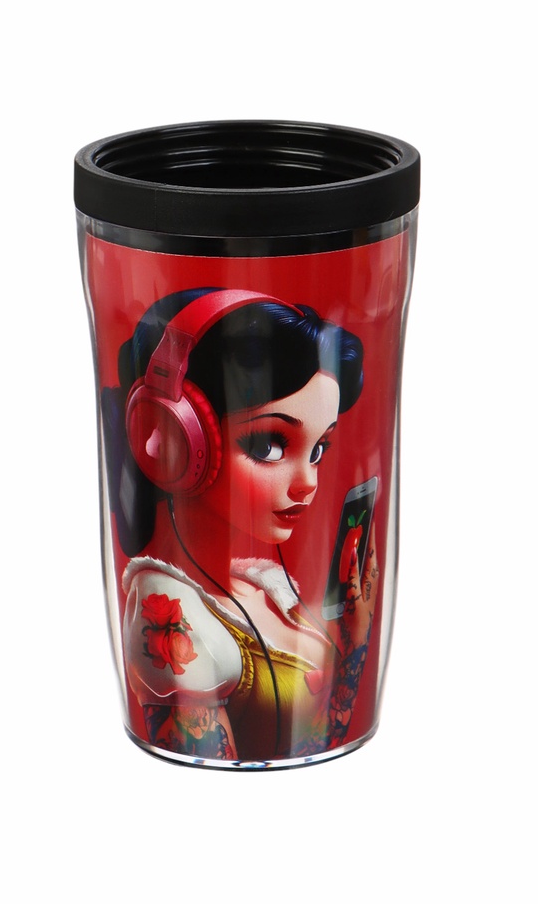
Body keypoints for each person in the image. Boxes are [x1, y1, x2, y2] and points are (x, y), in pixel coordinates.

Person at [102, 287, 378, 762]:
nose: (308, 483)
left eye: (318, 449)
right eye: (269, 444)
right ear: (177, 439)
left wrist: (354, 636)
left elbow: (327, 735)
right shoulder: (167, 614)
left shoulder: (262, 586)